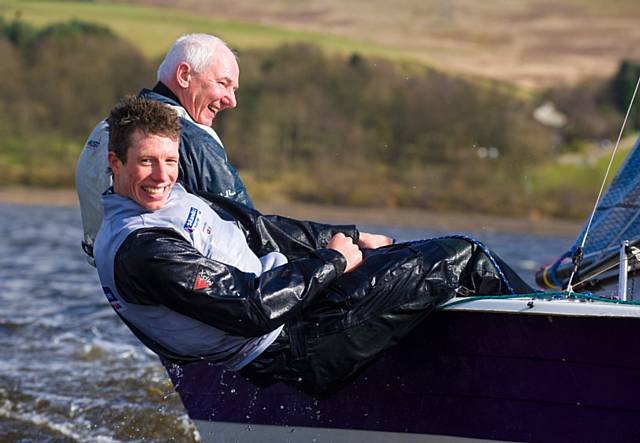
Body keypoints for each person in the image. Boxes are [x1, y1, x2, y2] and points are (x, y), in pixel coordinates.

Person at [94, 97, 532, 396]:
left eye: (169, 161)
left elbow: (264, 231)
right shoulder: (143, 250)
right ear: (115, 162)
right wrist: (334, 260)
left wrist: (355, 240)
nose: (161, 175)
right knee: (462, 255)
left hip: (304, 310)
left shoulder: (172, 199)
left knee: (421, 253)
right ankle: (544, 359)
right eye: (146, 162)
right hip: (296, 344)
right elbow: (253, 307)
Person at [76, 33, 251, 263]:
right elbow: (245, 228)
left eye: (234, 89)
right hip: (176, 277)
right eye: (223, 84)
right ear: (184, 75)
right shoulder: (193, 138)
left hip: (114, 270)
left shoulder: (104, 128)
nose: (232, 101)